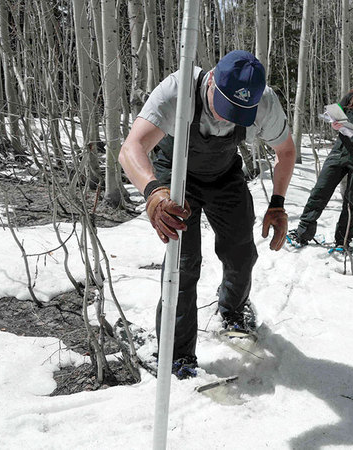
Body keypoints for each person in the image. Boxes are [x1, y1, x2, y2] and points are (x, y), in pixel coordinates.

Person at [118, 50, 296, 379]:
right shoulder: (178, 89)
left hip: (224, 175)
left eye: (240, 113)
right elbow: (131, 148)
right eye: (226, 106)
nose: (229, 119)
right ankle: (177, 355)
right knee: (184, 265)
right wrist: (153, 193)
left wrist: (278, 203)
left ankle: (232, 308)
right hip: (175, 176)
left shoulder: (266, 104)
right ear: (211, 80)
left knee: (242, 251)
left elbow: (286, 150)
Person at [288, 63, 353, 250]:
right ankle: (302, 234)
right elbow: (335, 115)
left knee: (351, 201)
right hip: (340, 151)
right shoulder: (351, 96)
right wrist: (334, 124)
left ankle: (343, 242)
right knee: (320, 191)